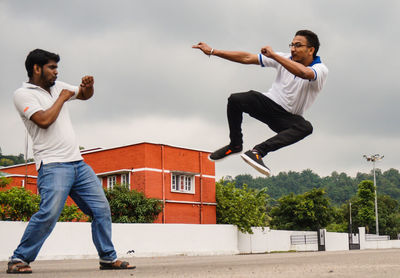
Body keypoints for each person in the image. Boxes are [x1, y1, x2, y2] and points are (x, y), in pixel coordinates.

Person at [7, 49, 135, 274]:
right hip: (53, 165)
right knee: (49, 213)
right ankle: (19, 259)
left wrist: (88, 86)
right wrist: (63, 97)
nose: (57, 72)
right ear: (37, 69)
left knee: (101, 209)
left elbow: (85, 95)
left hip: (78, 163)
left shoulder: (58, 87)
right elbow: (44, 120)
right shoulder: (23, 94)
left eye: (57, 67)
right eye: (52, 67)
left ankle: (107, 258)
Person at [192, 30, 328, 176]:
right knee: (236, 100)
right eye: (292, 45)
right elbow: (247, 58)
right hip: (267, 104)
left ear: (311, 50)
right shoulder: (285, 58)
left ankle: (257, 152)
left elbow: (304, 73)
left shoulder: (320, 70)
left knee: (306, 127)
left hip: (286, 119)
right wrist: (213, 51)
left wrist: (274, 56)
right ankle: (235, 144)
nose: (293, 49)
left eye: (298, 45)